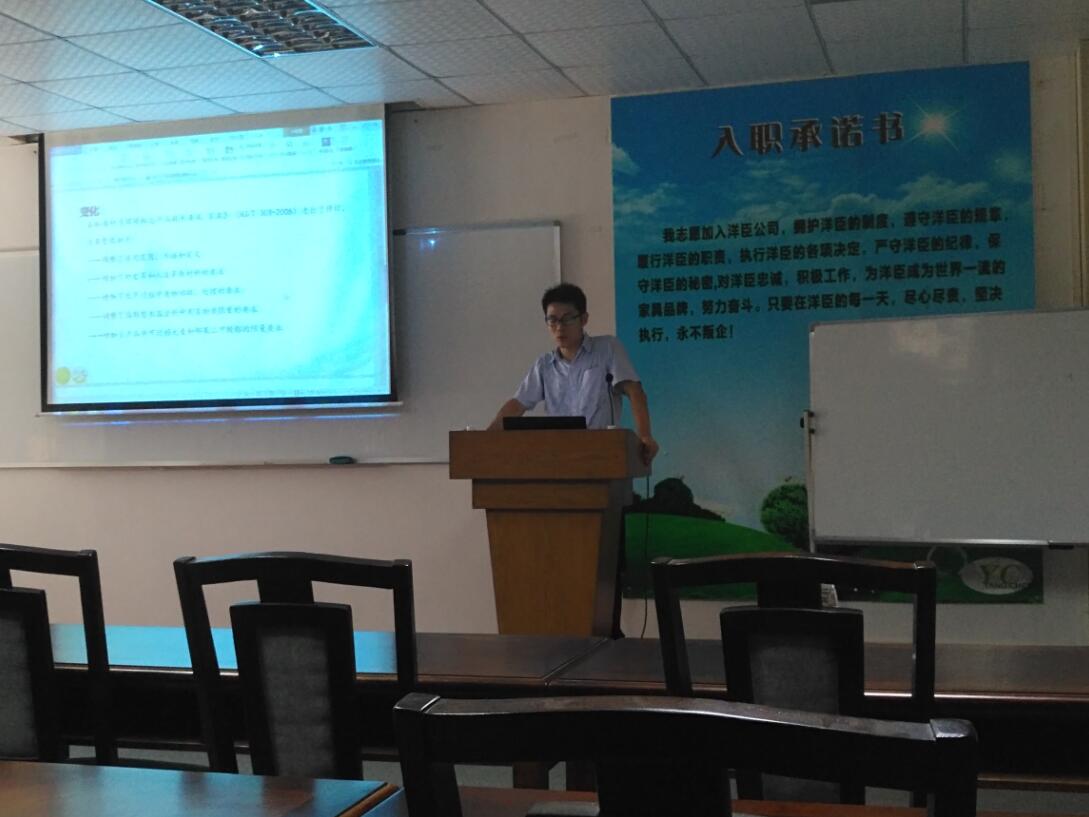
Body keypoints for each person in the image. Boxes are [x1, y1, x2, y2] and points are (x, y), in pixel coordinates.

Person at [488, 282, 658, 465]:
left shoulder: (607, 348)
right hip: (559, 457)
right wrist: (487, 435)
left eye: (567, 318)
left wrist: (645, 436)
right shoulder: (544, 365)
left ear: (584, 319)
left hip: (603, 454)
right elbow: (517, 404)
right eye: (552, 320)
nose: (559, 327)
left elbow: (635, 392)